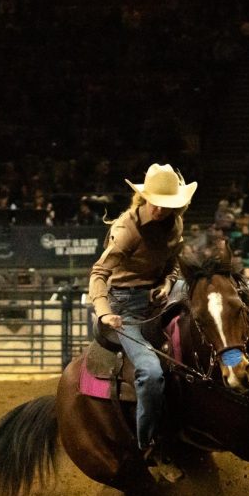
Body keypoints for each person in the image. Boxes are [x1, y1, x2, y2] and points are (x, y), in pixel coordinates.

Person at [88, 163, 194, 455]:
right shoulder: (127, 230)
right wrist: (104, 311)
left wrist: (167, 281)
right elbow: (99, 272)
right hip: (125, 306)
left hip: (158, 297)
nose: (159, 210)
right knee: (150, 372)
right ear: (144, 197)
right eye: (155, 203)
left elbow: (172, 261)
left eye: (166, 205)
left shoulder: (175, 225)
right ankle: (146, 443)